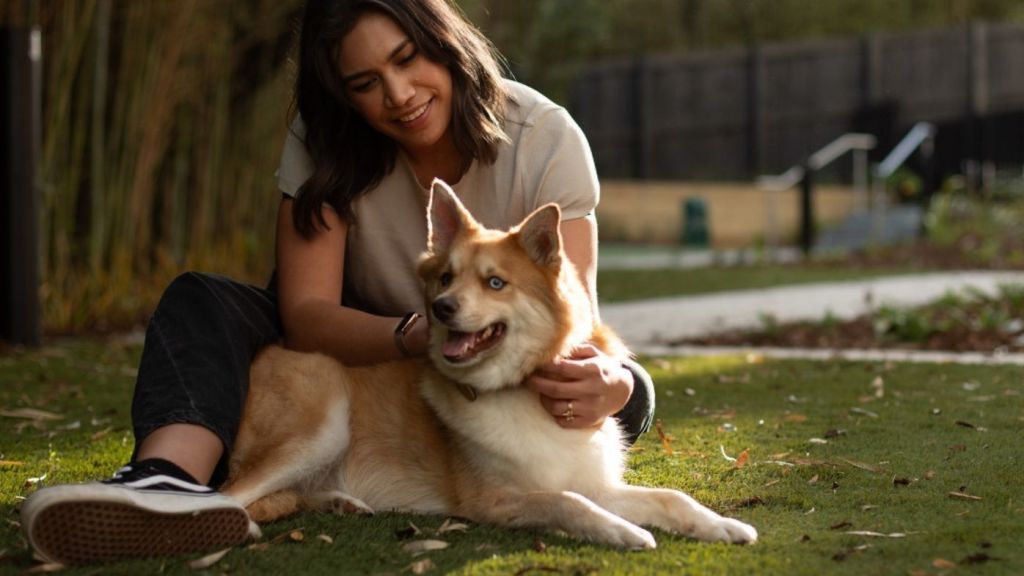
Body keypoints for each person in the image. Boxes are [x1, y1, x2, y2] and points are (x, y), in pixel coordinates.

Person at [20, 0, 655, 565]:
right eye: (366, 83)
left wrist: (614, 379)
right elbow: (305, 312)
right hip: (364, 341)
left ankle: (271, 486)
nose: (399, 93)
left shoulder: (545, 139)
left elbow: (573, 317)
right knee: (201, 300)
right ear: (343, 96)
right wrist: (418, 335)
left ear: (443, 40)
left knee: (630, 391)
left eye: (407, 60)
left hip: (495, 356)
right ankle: (166, 482)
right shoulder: (324, 142)